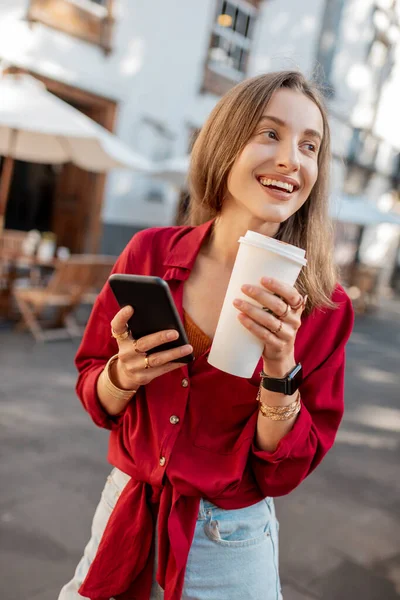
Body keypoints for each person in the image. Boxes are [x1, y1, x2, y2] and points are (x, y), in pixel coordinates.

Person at [58, 71, 354, 600]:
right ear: (223, 144)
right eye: (270, 134)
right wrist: (121, 375)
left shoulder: (326, 307)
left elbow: (284, 470)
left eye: (310, 145)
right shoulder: (148, 254)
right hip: (123, 509)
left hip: (230, 541)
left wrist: (279, 366)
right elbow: (94, 395)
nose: (292, 159)